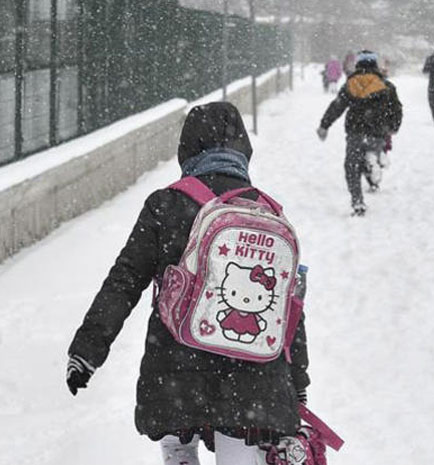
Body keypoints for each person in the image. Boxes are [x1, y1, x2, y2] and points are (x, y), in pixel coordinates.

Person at [65, 102, 310, 463]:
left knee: (178, 442)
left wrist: (87, 350)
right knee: (240, 448)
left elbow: (125, 280)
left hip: (174, 368)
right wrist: (297, 383)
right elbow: (288, 309)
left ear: (187, 149)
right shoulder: (267, 212)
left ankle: (179, 453)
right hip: (252, 379)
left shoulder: (166, 205)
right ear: (243, 149)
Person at [317, 50, 403, 216]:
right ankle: (374, 165)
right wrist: (393, 127)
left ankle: (357, 201)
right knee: (371, 154)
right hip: (378, 132)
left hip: (356, 131)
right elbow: (396, 109)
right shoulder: (386, 86)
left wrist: (324, 125)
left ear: (358, 64)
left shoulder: (351, 84)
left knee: (352, 166)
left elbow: (337, 106)